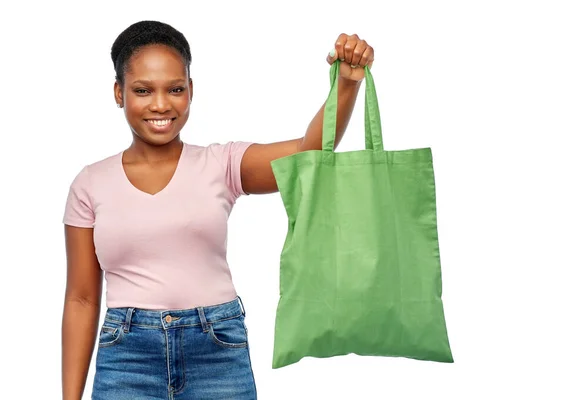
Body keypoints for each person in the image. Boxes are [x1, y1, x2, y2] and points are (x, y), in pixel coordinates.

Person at [61, 20, 374, 400]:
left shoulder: (221, 164)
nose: (161, 104)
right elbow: (81, 298)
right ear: (119, 92)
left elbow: (309, 153)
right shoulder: (90, 183)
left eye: (175, 89)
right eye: (143, 90)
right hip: (128, 359)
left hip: (216, 350)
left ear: (190, 91)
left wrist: (346, 84)